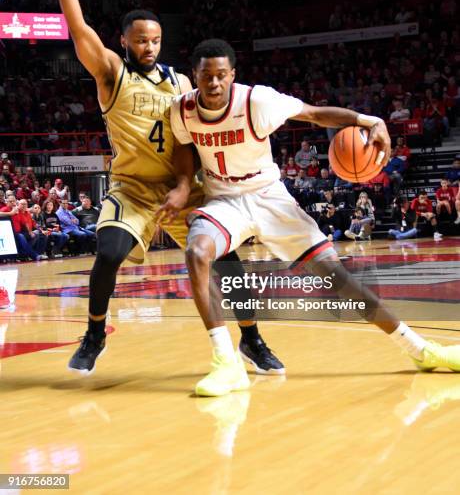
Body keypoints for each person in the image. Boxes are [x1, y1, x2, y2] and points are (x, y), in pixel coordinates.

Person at [171, 39, 460, 397]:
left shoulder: (256, 101)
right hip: (224, 201)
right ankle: (225, 362)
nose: (213, 84)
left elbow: (313, 113)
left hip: (269, 198)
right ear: (194, 75)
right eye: (205, 76)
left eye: (220, 76)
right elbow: (184, 147)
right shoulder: (180, 109)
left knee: (339, 279)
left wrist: (369, 120)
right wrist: (185, 184)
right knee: (197, 252)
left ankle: (421, 350)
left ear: (232, 74)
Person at [55, 0, 282, 376]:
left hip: (183, 188)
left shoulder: (181, 84)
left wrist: (198, 185)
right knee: (109, 251)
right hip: (134, 189)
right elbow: (79, 30)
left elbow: (198, 137)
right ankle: (94, 334)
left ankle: (252, 339)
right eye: (141, 40)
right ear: (124, 41)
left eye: (156, 40)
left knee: (228, 263)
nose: (150, 47)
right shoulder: (111, 74)